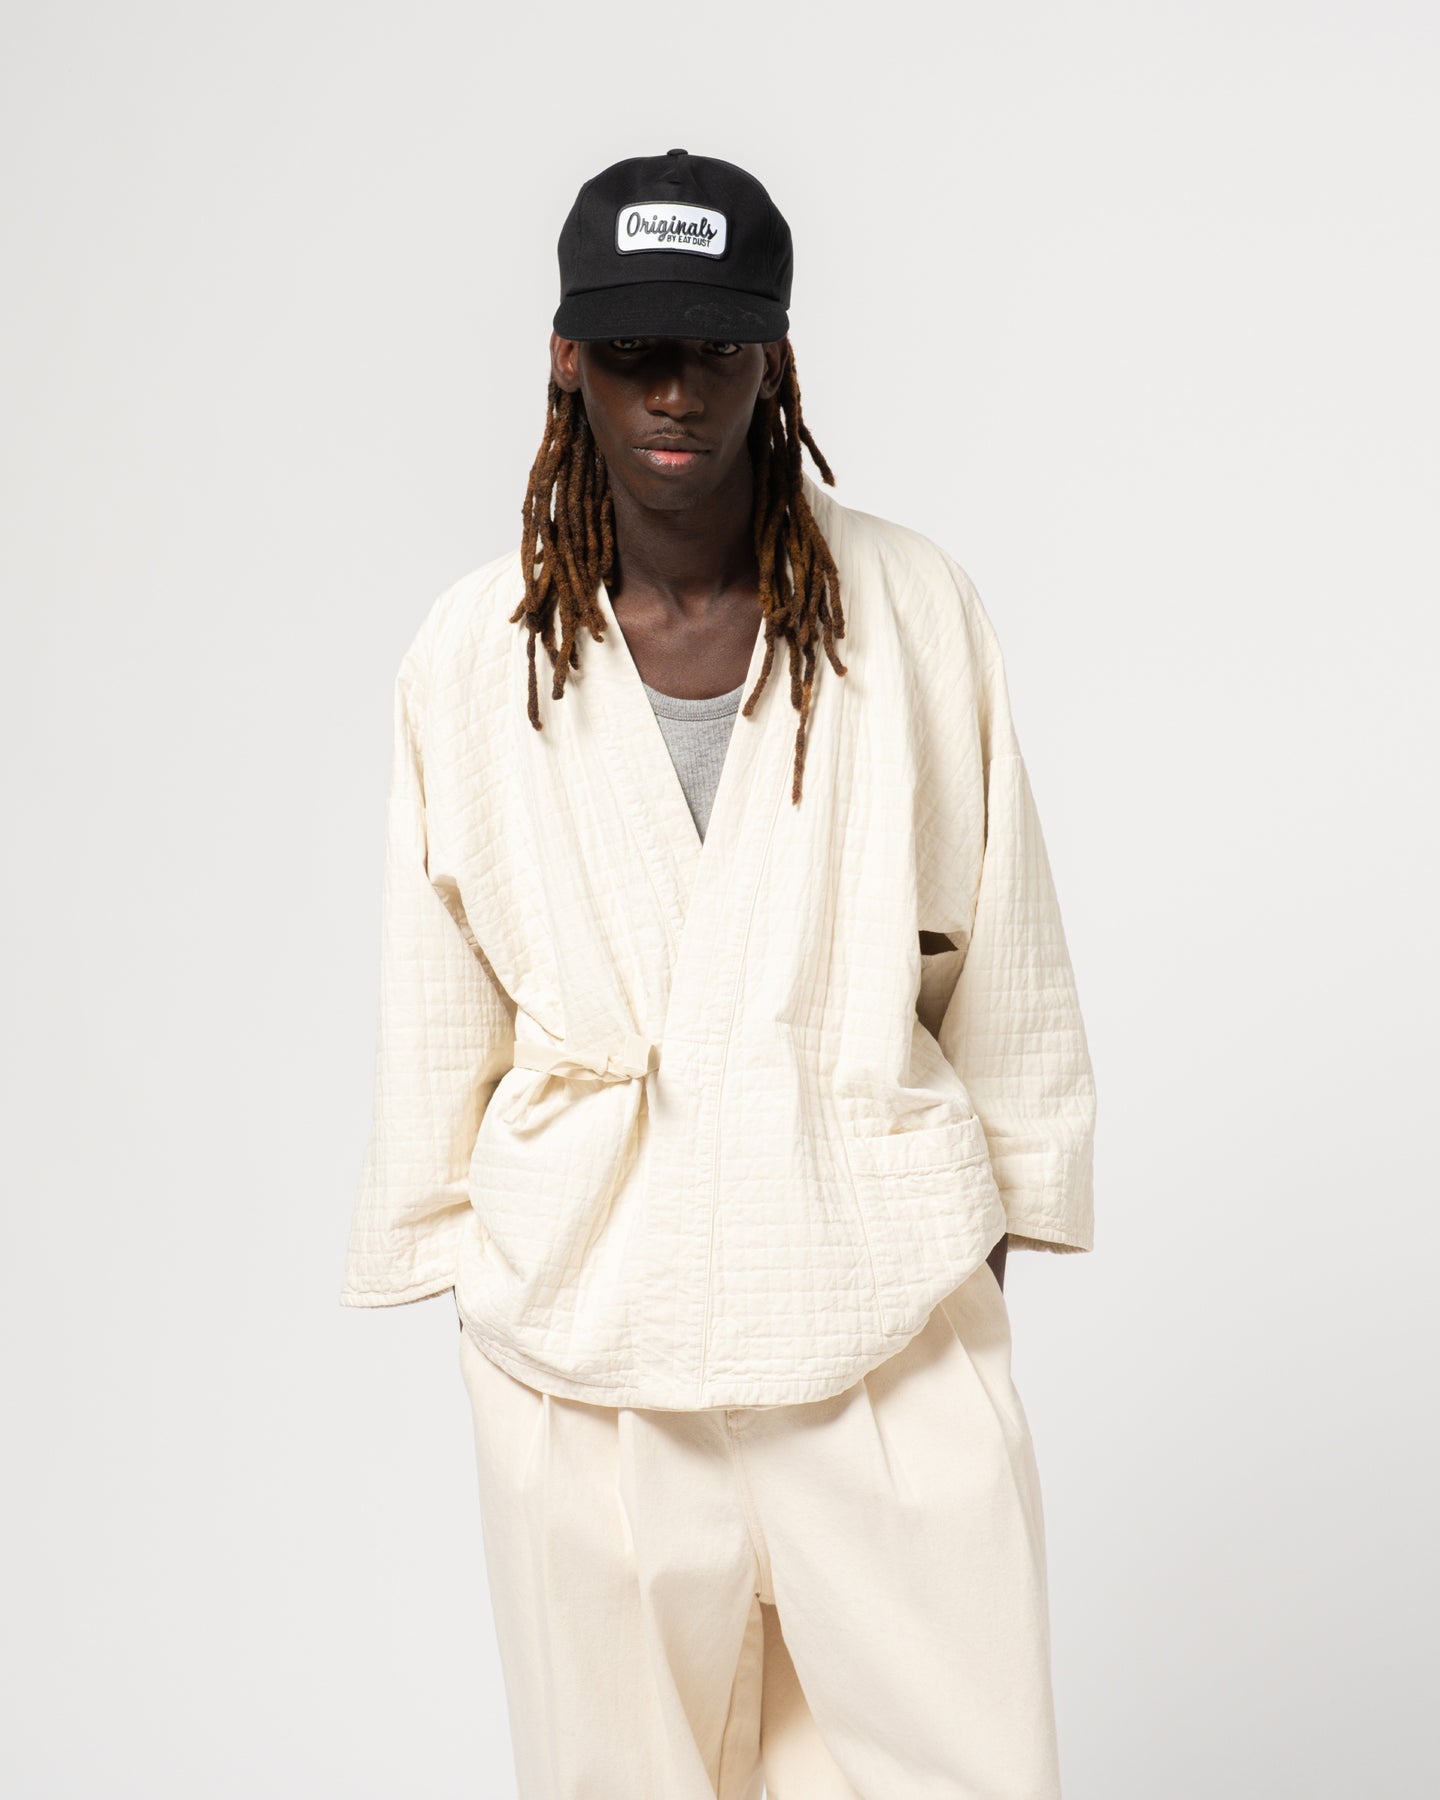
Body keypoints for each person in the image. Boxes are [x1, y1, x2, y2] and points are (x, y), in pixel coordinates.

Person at [341, 148, 1097, 1799]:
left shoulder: (911, 611)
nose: (676, 390)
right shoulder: (471, 656)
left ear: (778, 361)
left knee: (964, 1769)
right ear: (568, 358)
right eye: (634, 351)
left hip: (879, 1319)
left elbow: (1005, 948)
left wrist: (964, 1246)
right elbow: (437, 1008)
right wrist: (485, 1268)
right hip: (584, 1350)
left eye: (716, 347)